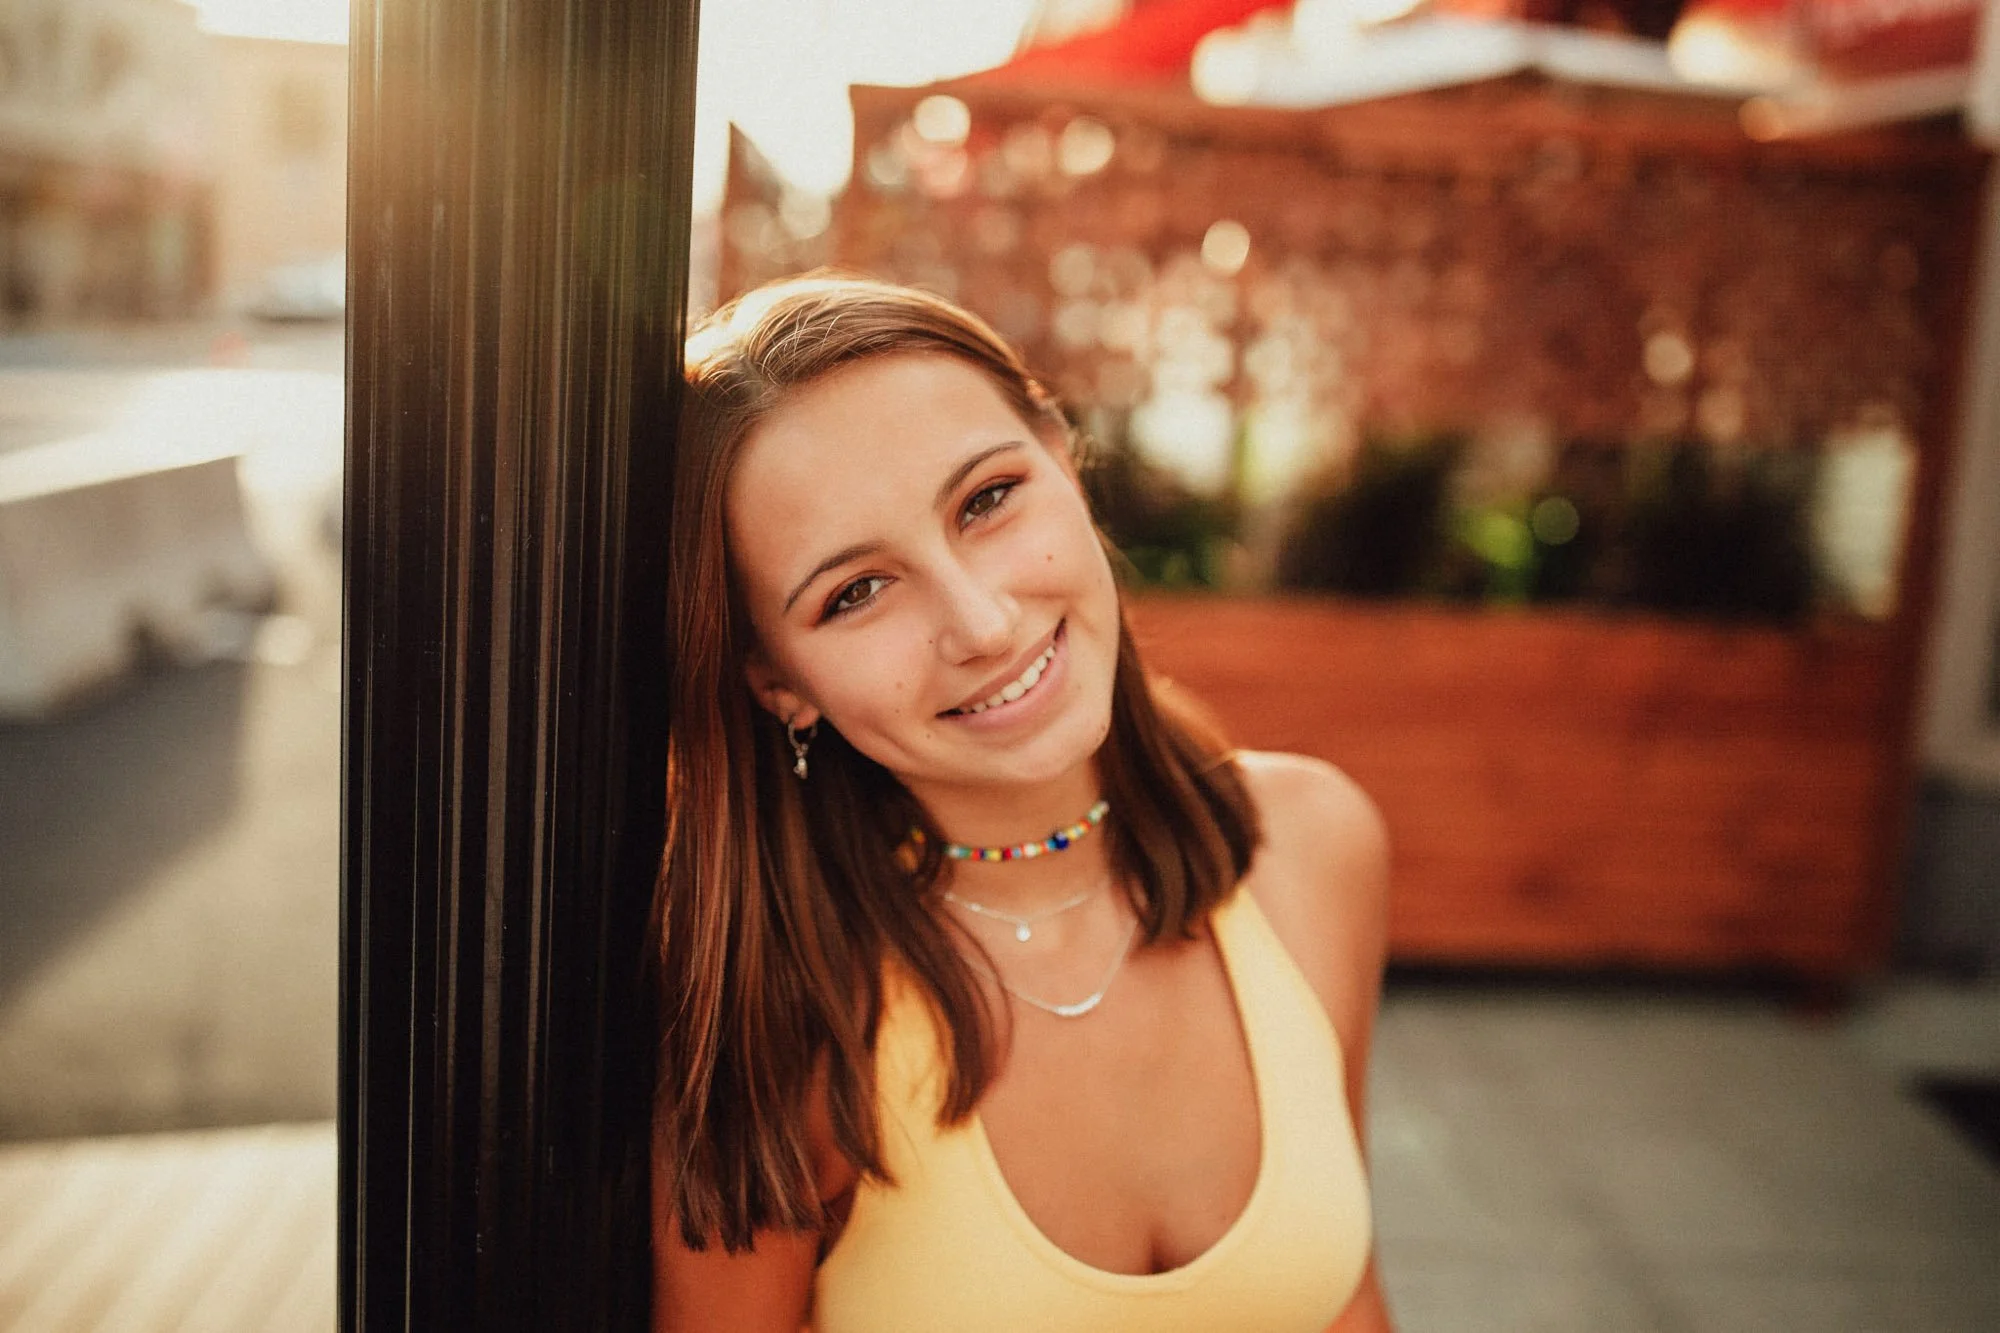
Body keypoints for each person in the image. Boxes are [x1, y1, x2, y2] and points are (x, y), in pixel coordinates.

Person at [652, 273, 1394, 1332]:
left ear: (1061, 455)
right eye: (855, 592)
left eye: (986, 500)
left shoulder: (1312, 846)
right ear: (776, 681)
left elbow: (1346, 1301)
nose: (982, 623)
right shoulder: (781, 1024)